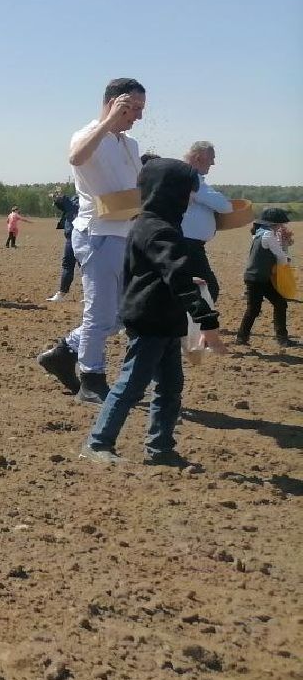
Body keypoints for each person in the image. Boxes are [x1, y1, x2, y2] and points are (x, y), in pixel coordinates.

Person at [79, 159, 225, 466]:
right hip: (151, 320)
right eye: (186, 192)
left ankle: (160, 448)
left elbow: (160, 273)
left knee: (170, 387)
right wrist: (207, 322)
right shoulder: (158, 229)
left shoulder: (151, 224)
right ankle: (98, 442)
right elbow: (177, 274)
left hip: (165, 319)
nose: (188, 200)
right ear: (169, 193)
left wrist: (182, 284)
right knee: (131, 385)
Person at [37, 79, 147, 404]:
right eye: (134, 109)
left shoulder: (131, 145)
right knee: (99, 312)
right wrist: (109, 122)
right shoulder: (87, 134)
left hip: (126, 234)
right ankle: (92, 380)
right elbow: (76, 156)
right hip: (97, 234)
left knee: (121, 315)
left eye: (141, 110)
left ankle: (64, 351)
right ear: (115, 102)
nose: (137, 116)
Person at [180, 140, 232, 303]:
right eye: (211, 158)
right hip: (188, 244)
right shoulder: (190, 177)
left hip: (188, 243)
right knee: (208, 288)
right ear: (198, 157)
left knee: (193, 287)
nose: (213, 163)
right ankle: (197, 326)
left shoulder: (189, 176)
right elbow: (223, 206)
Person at [237, 208, 294, 347]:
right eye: (280, 224)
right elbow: (280, 256)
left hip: (260, 277)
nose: (281, 226)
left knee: (279, 303)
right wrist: (285, 265)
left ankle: (282, 338)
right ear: (274, 223)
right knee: (254, 309)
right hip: (257, 278)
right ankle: (241, 337)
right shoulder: (268, 235)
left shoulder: (260, 233)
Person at [46, 189, 80, 302]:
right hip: (71, 238)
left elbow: (73, 207)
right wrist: (57, 199)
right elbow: (66, 207)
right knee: (67, 265)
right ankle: (62, 293)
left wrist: (63, 198)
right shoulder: (75, 197)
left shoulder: (86, 198)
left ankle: (91, 295)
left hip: (83, 237)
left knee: (86, 268)